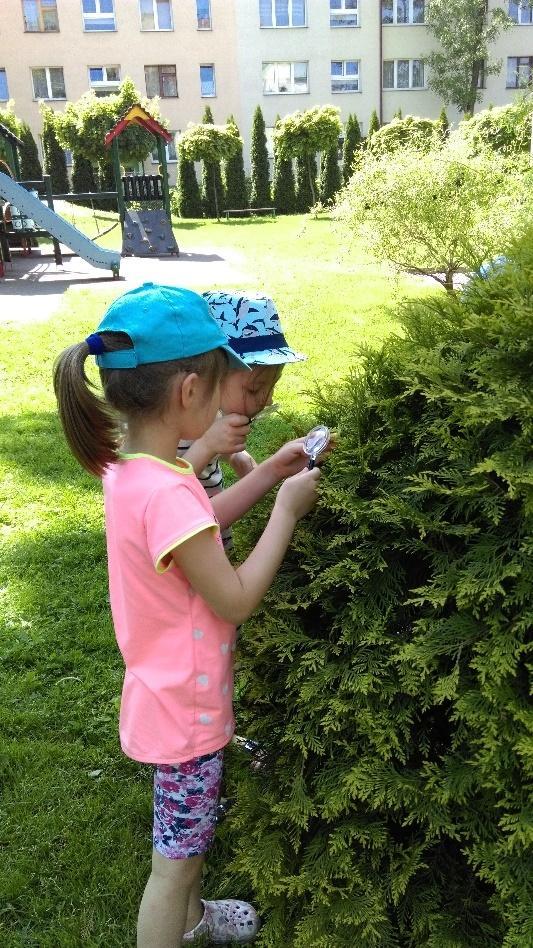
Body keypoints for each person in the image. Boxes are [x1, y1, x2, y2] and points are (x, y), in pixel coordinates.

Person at [53, 283, 321, 948]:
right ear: (189, 392)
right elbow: (232, 596)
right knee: (171, 866)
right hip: (188, 713)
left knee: (186, 837)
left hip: (163, 693)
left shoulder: (133, 472)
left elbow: (197, 531)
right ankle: (182, 916)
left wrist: (266, 475)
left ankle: (196, 914)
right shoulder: (168, 493)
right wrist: (285, 512)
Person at [179, 291, 306, 549]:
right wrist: (206, 446)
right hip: (183, 549)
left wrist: (237, 456)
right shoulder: (176, 424)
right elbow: (163, 488)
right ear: (208, 375)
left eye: (272, 386)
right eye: (254, 388)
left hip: (211, 539)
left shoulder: (210, 411)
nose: (267, 400)